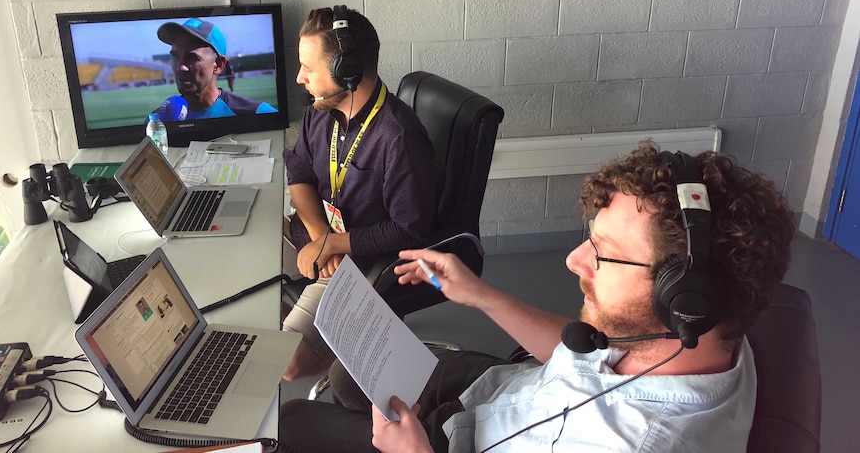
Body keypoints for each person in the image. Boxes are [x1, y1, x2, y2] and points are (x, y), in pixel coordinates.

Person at [278, 141, 795, 452]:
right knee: (349, 377)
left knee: (292, 426)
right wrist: (480, 295)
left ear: (681, 298)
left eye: (603, 252)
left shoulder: (636, 442)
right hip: (500, 393)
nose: (574, 260)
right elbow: (584, 358)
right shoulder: (693, 332)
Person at [281, 6, 436, 380]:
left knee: (285, 366)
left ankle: (355, 353)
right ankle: (329, 329)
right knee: (242, 274)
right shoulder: (320, 110)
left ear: (345, 72)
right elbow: (299, 171)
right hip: (322, 238)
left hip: (368, 259)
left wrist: (336, 246)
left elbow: (409, 230)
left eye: (309, 68)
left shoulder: (398, 136)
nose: (300, 78)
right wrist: (322, 238)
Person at [153, 18, 276, 120]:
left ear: (218, 64)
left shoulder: (258, 113)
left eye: (192, 58)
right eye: (175, 56)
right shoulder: (156, 121)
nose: (181, 67)